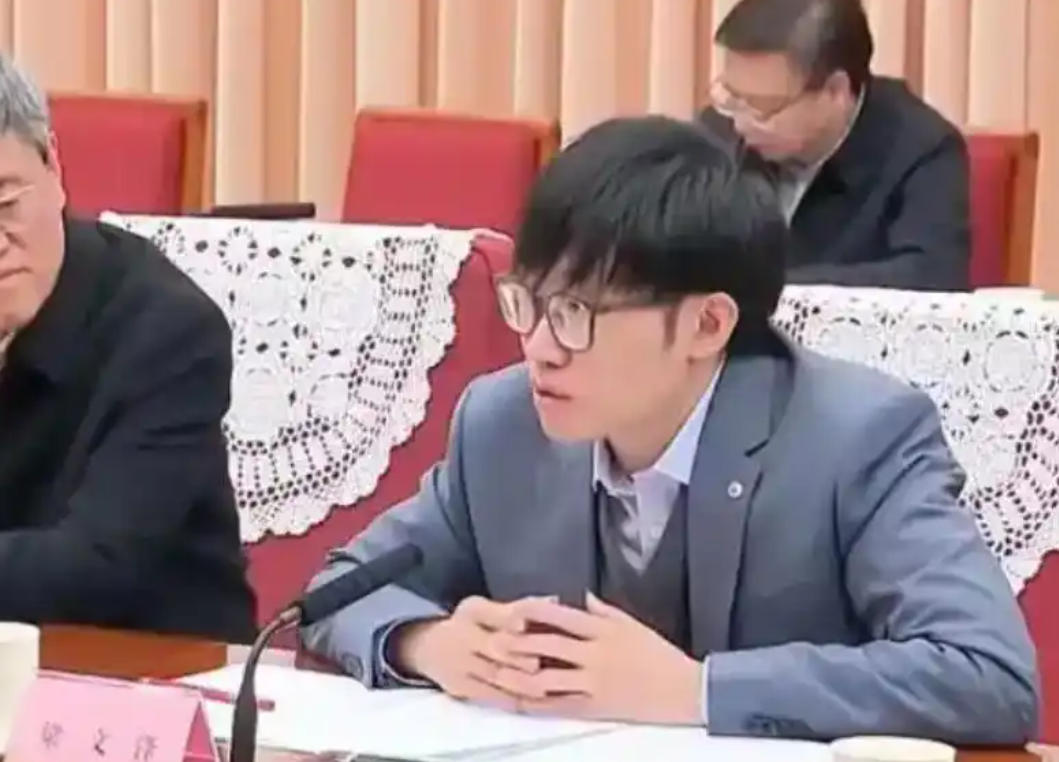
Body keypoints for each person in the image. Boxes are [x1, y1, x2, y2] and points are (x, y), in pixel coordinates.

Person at [300, 115, 1037, 743]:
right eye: (527, 303)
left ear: (707, 324)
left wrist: (696, 690)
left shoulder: (856, 438)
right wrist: (428, 643)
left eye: (575, 314)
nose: (539, 347)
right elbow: (337, 591)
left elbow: (985, 674)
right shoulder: (503, 424)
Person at [0, 55, 256, 642]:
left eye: (6, 205)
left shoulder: (169, 329)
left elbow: (98, 565)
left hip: (153, 667)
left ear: (54, 165)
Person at [701, 0, 970, 290]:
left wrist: (767, 286)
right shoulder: (718, 130)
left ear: (835, 91)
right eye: (733, 97)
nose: (740, 124)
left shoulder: (922, 149)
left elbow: (930, 275)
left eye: (762, 107)